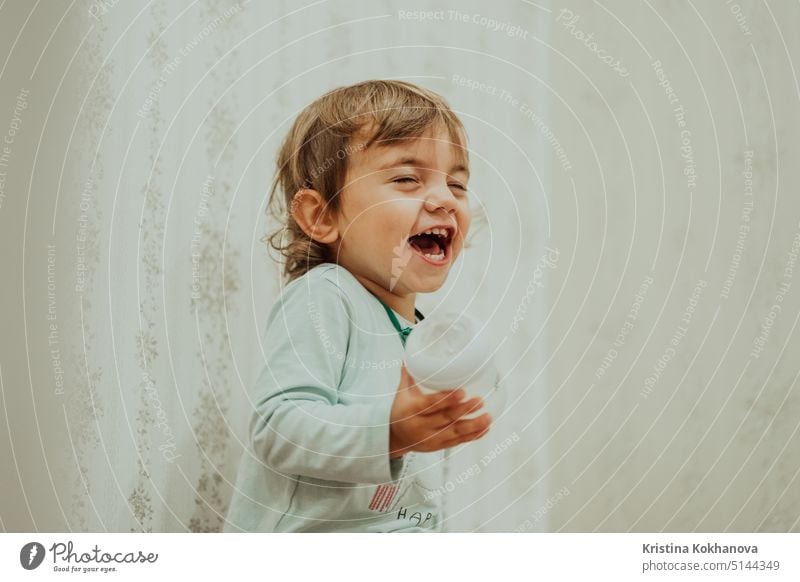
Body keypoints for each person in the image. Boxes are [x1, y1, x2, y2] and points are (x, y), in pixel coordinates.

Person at [224, 79, 492, 532]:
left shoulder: (420, 334)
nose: (445, 199)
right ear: (321, 216)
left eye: (457, 184)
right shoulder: (324, 297)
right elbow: (278, 428)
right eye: (406, 178)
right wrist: (391, 431)